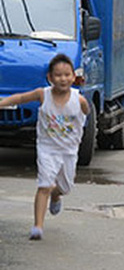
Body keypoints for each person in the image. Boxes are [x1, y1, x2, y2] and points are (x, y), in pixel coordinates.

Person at [0, 54, 89, 240]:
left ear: (73, 77)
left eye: (66, 75)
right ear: (50, 77)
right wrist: (3, 103)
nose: (62, 79)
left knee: (64, 188)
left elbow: (87, 114)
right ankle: (37, 227)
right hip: (47, 148)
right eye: (58, 75)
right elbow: (21, 98)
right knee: (44, 185)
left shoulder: (79, 100)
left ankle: (56, 196)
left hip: (69, 150)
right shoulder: (43, 94)